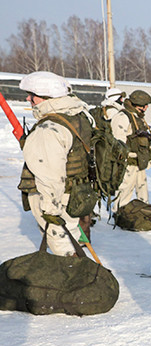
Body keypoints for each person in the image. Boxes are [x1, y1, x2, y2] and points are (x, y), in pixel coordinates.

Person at [17, 71, 91, 256]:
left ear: (45, 97)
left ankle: (73, 278)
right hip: (75, 192)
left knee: (61, 244)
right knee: (71, 236)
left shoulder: (49, 129)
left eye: (32, 95)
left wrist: (50, 209)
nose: (28, 98)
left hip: (54, 196)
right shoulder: (79, 116)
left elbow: (49, 174)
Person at [110, 89, 151, 211]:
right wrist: (128, 156)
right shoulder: (123, 117)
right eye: (144, 106)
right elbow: (117, 143)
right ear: (136, 105)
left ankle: (143, 213)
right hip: (128, 163)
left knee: (142, 189)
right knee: (125, 189)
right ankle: (119, 212)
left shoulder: (137, 117)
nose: (146, 108)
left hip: (139, 162)